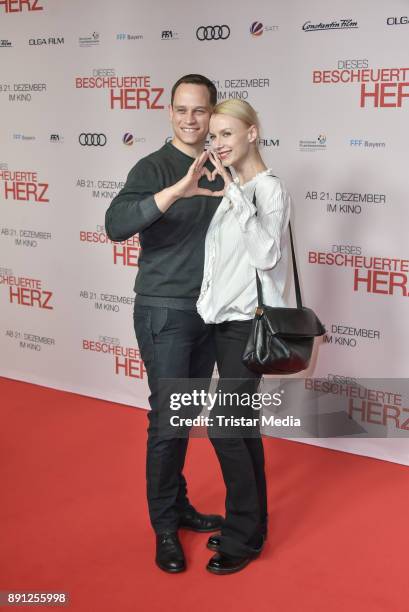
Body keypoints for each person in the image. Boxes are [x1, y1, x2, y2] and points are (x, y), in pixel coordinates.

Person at [105, 74, 225, 574]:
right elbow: (115, 226)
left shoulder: (224, 167)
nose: (191, 119)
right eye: (182, 110)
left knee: (185, 416)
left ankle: (177, 506)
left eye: (200, 110)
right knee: (169, 419)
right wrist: (178, 189)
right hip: (165, 310)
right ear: (170, 112)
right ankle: (163, 528)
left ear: (213, 113)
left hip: (211, 311)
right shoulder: (153, 165)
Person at [196, 99, 291, 574]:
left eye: (227, 134)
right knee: (241, 428)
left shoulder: (266, 189)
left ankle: (242, 535)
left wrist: (235, 193)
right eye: (214, 137)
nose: (218, 144)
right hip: (225, 324)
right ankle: (251, 527)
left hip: (250, 325)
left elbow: (267, 256)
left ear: (252, 133)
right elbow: (222, 265)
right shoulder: (236, 188)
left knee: (223, 428)